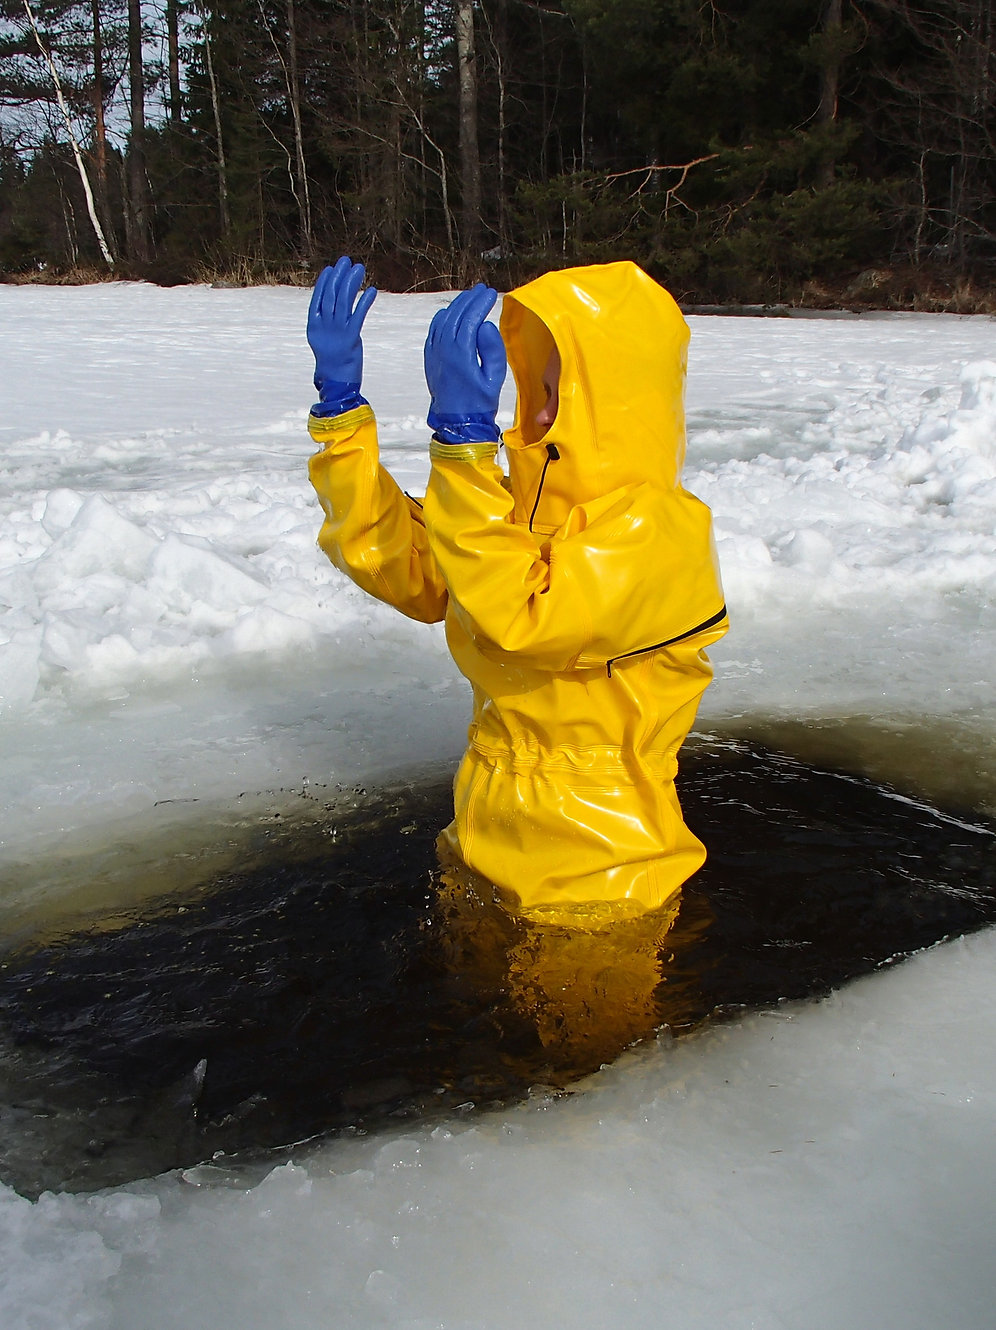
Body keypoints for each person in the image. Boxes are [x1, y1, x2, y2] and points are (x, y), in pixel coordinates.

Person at [307, 256, 727, 929]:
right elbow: (402, 566)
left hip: (600, 874)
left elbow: (520, 619)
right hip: (483, 839)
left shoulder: (660, 532)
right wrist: (342, 414)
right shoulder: (513, 518)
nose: (536, 412)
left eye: (558, 393)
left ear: (615, 408)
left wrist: (464, 452)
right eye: (534, 387)